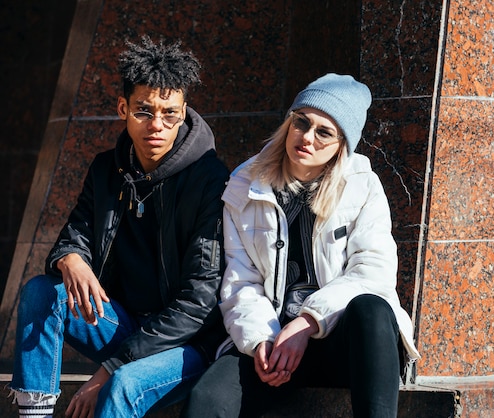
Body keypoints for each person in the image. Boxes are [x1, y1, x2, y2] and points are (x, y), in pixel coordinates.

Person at [9, 35, 230, 418]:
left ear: (183, 112)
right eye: (144, 111)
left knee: (122, 385)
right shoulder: (106, 169)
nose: (157, 125)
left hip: (187, 344)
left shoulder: (209, 179)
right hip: (123, 324)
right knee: (41, 293)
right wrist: (71, 257)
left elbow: (200, 302)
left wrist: (110, 368)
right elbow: (75, 232)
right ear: (123, 108)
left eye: (169, 113)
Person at [181, 73, 420, 418]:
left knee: (372, 308)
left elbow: (373, 273)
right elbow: (240, 281)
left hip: (344, 343)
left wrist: (309, 321)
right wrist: (261, 339)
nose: (307, 137)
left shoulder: (363, 185)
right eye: (301, 122)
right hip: (275, 337)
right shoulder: (245, 184)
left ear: (342, 144)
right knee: (208, 398)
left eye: (324, 132)